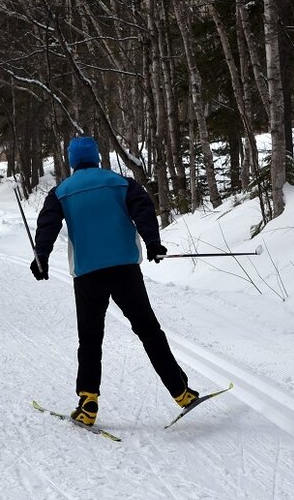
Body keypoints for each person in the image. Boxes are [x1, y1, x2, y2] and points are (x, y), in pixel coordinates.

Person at [30, 135, 198, 427]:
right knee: (149, 330)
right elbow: (143, 210)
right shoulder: (121, 183)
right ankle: (181, 392)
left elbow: (47, 225)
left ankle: (88, 403)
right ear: (97, 157)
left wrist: (41, 256)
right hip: (124, 269)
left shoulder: (61, 192)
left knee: (91, 340)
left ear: (72, 161)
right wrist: (153, 243)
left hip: (88, 274)